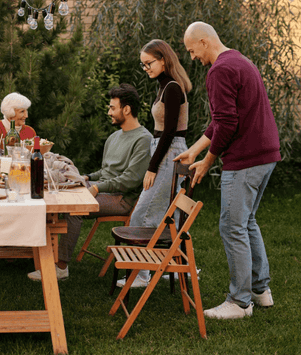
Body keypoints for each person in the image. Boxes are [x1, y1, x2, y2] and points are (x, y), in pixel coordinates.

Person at [175, 21, 280, 319]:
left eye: (193, 50)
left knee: (232, 227)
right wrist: (195, 149)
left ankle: (239, 302)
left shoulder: (219, 70)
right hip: (266, 155)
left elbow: (228, 123)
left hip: (246, 159)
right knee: (246, 222)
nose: (193, 57)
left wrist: (208, 161)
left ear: (205, 41)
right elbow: (224, 118)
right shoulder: (240, 60)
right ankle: (260, 291)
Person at [28, 84, 152, 281]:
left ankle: (60, 267)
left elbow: (131, 180)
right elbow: (106, 171)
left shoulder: (144, 140)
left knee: (73, 209)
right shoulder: (114, 137)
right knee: (52, 193)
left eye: (112, 107)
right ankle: (36, 255)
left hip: (121, 199)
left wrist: (96, 187)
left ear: (126, 109)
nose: (109, 112)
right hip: (103, 190)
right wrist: (85, 178)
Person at [117, 39, 192, 289]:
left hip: (169, 152)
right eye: (143, 65)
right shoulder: (164, 86)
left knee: (143, 211)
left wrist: (152, 167)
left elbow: (169, 131)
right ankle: (176, 266)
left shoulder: (172, 88)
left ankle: (141, 274)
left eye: (148, 63)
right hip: (164, 149)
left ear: (163, 59)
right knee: (162, 212)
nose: (146, 68)